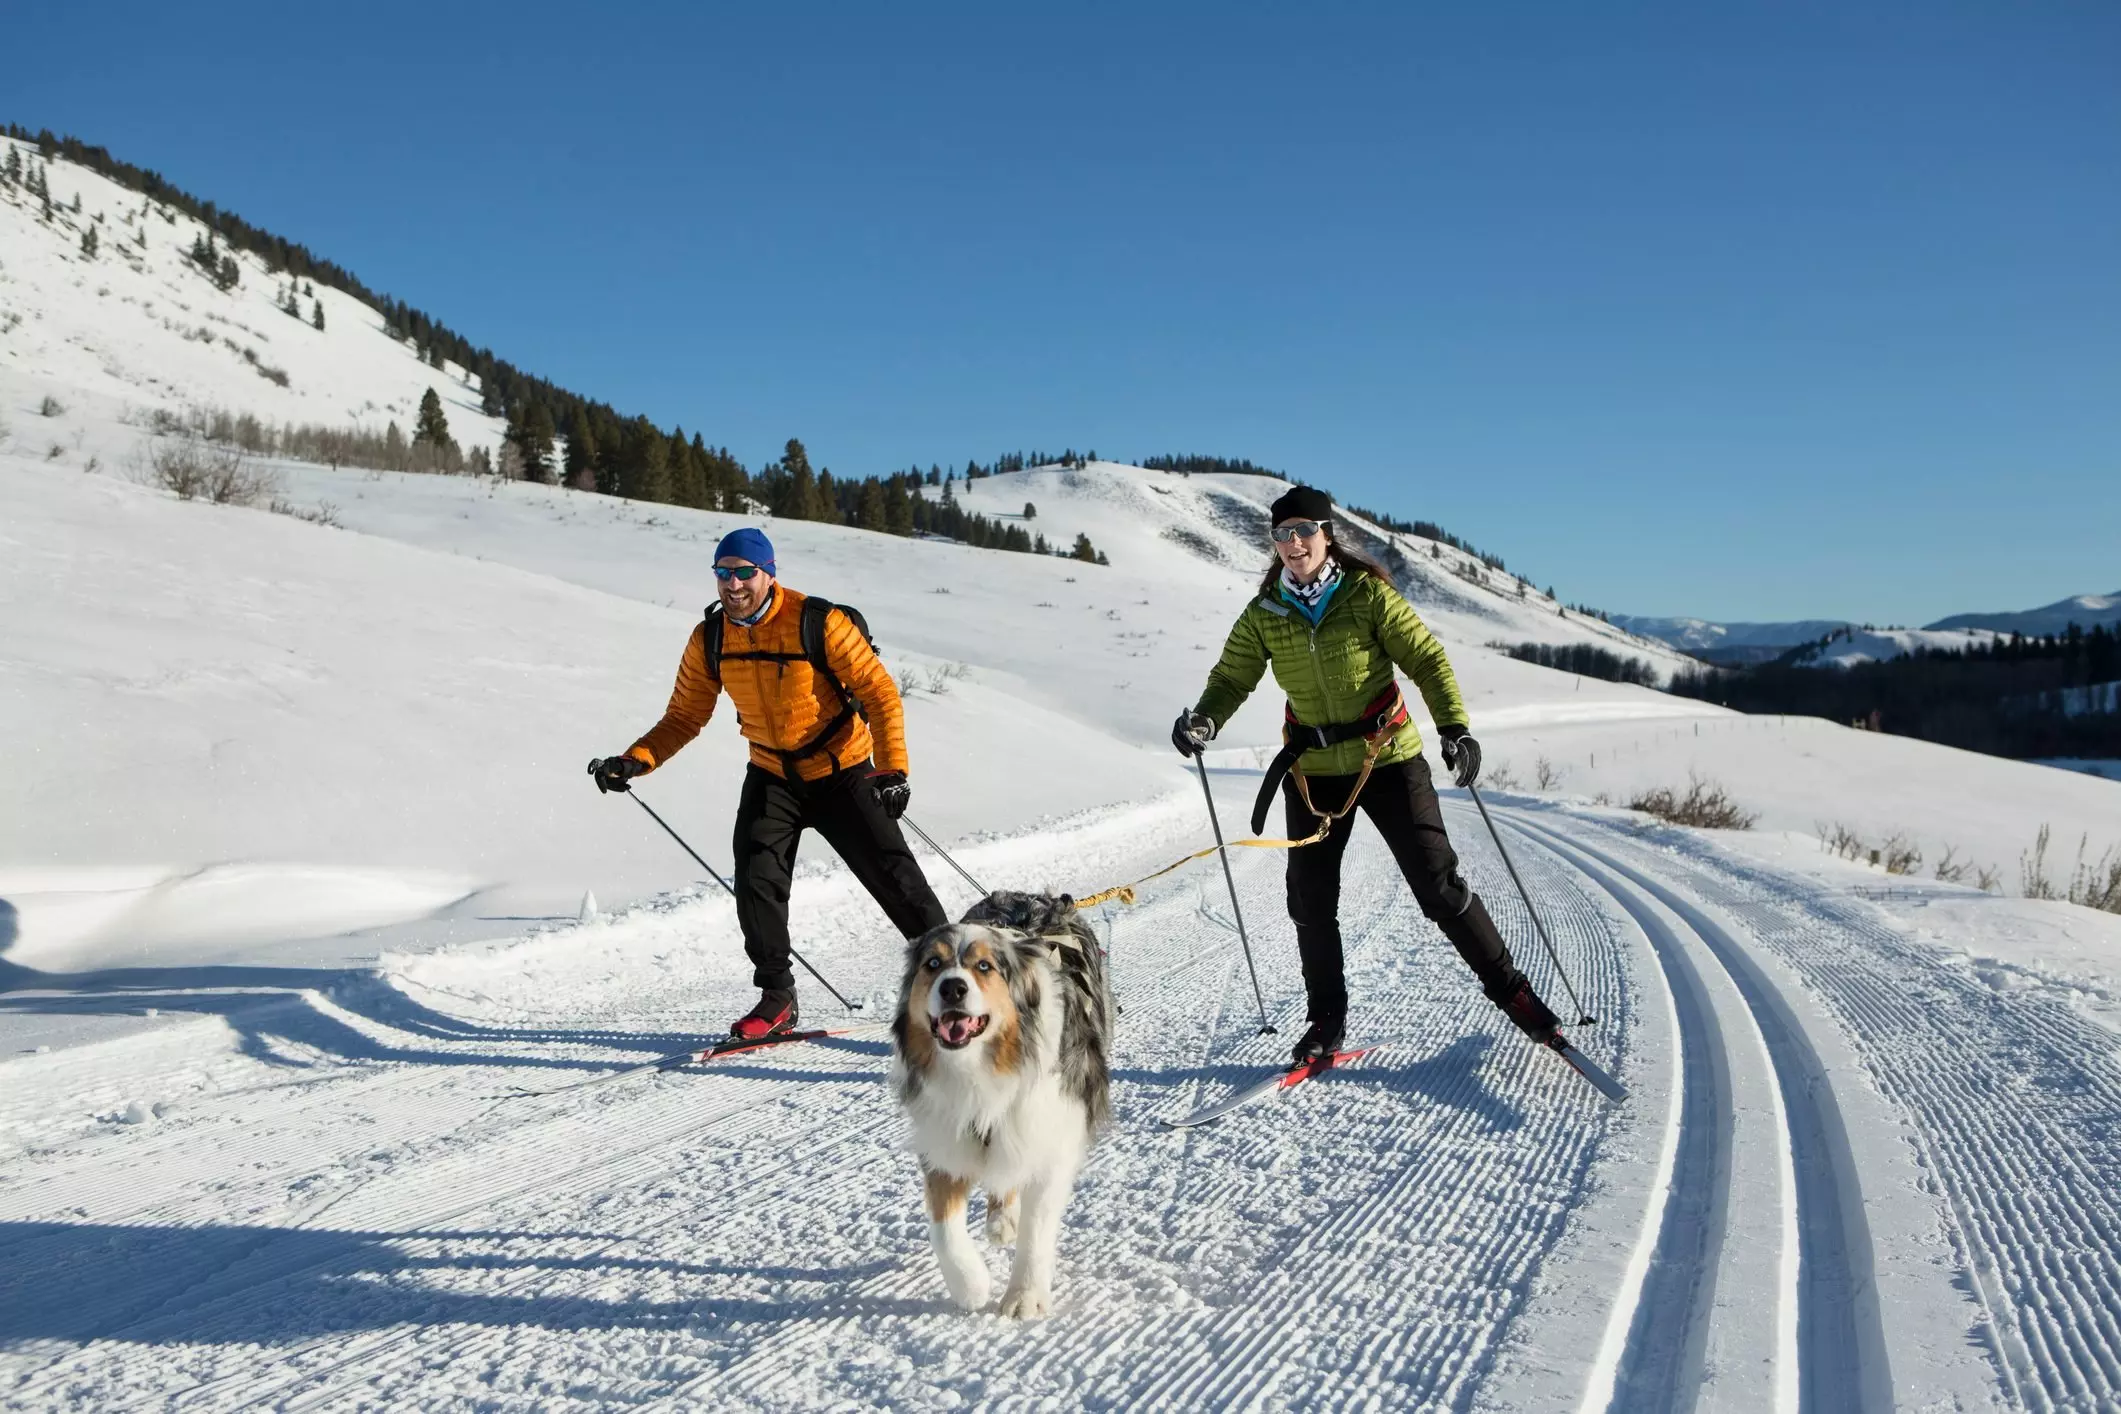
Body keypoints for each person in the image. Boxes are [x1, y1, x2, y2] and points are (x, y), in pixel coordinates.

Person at [1171, 487, 1564, 1064]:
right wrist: (1204, 719)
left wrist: (1454, 727)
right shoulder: (1265, 613)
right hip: (1313, 771)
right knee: (1309, 901)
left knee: (1437, 886)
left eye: (1304, 530)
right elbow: (1232, 679)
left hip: (1389, 760)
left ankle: (1516, 995)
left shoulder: (1366, 596)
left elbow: (1427, 659)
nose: (1293, 543)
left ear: (1327, 534)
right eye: (1282, 534)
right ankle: (1325, 1020)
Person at [589, 527, 947, 1039]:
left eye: (744, 573)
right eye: (722, 573)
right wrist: (634, 760)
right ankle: (777, 999)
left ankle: (954, 981)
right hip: (773, 774)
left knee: (897, 882)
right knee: (756, 881)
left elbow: (880, 692)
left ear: (768, 573)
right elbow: (685, 716)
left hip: (842, 770)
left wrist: (892, 769)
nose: (733, 585)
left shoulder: (817, 622)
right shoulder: (710, 638)